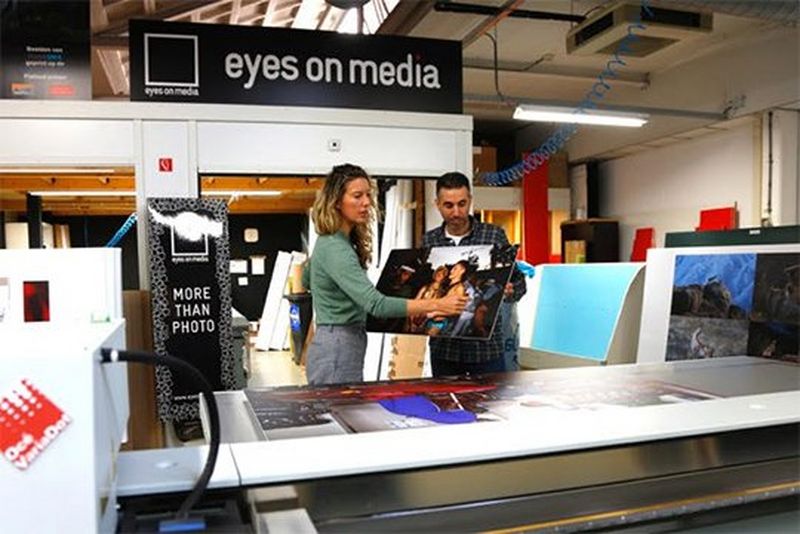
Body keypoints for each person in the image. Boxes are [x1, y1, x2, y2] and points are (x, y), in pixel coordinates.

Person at [302, 164, 467, 385]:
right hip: (338, 344)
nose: (367, 203)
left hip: (341, 339)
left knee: (342, 410)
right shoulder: (336, 248)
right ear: (337, 201)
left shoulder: (334, 242)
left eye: (368, 195)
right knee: (339, 411)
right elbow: (376, 305)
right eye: (357, 196)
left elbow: (306, 278)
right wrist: (439, 304)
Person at [423, 172, 527, 377]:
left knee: (490, 407)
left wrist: (509, 290)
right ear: (437, 204)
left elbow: (520, 283)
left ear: (470, 200)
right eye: (448, 205)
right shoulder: (429, 240)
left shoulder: (494, 235)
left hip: (486, 351)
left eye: (462, 204)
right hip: (445, 351)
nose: (456, 212)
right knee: (445, 406)